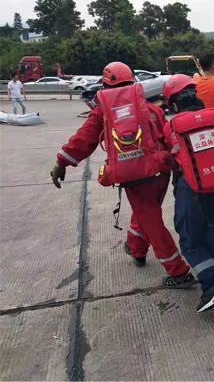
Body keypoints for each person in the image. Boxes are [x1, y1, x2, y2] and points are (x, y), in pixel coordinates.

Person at [49, 61, 195, 288]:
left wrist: (61, 163)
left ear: (105, 83)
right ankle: (136, 248)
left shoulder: (103, 111)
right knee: (147, 211)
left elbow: (83, 140)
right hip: (160, 171)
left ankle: (178, 271)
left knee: (150, 218)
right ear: (134, 80)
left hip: (134, 175)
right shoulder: (150, 108)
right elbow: (168, 138)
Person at [163, 74, 214, 312]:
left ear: (173, 104)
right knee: (211, 236)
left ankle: (212, 287)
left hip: (193, 189)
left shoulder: (173, 125)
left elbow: (171, 156)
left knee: (190, 241)